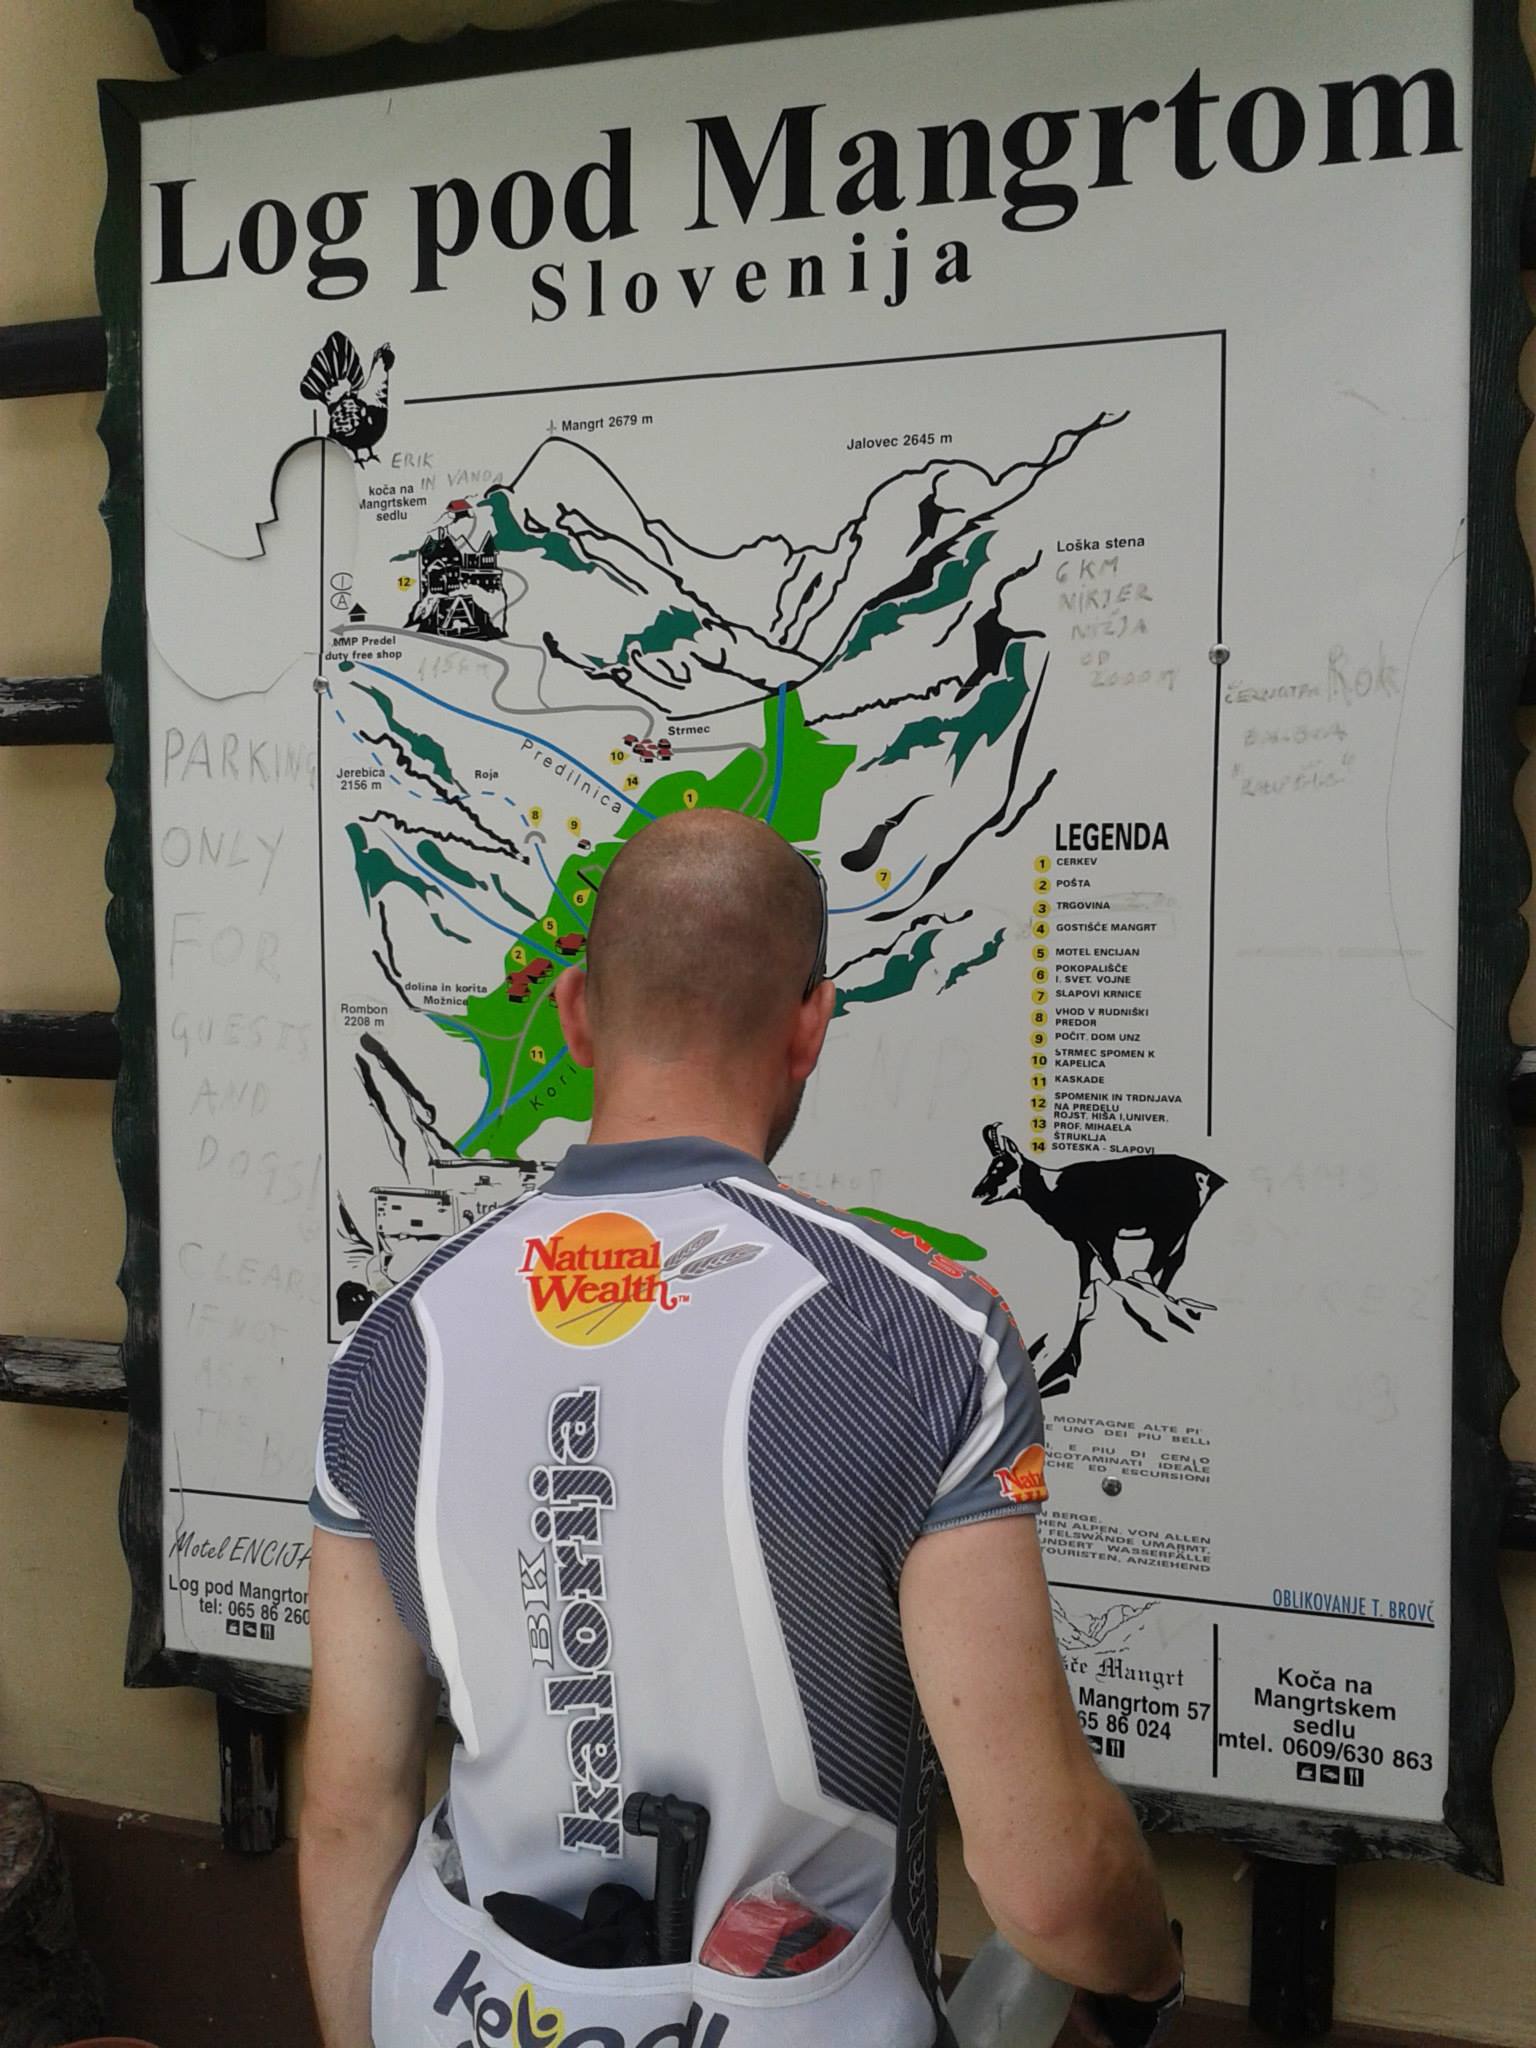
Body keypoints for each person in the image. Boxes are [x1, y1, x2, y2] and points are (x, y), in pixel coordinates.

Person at [300, 809, 1184, 2048]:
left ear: (574, 1014)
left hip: (463, 2006)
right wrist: (1150, 1969)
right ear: (811, 1025)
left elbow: (349, 1810)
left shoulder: (390, 1344)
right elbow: (1049, 1881)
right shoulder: (928, 1334)